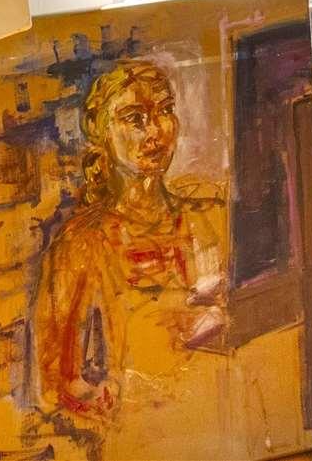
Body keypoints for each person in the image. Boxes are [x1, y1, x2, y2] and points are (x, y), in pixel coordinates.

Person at [33, 55, 229, 451]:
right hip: (140, 440)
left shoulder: (209, 220)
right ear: (103, 133)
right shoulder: (81, 243)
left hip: (226, 429)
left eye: (166, 112)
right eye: (136, 119)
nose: (156, 132)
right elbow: (54, 385)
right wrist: (115, 406)